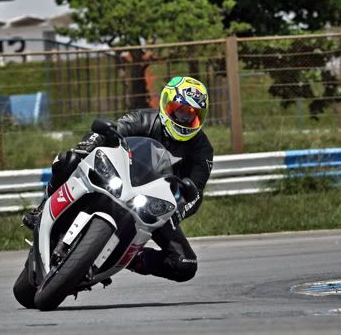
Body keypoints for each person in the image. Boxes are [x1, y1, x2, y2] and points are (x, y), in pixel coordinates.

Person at [22, 76, 213, 283]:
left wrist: (179, 210)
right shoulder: (144, 118)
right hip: (118, 178)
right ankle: (42, 209)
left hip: (154, 205)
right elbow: (113, 130)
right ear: (167, 105)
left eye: (192, 114)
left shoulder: (203, 149)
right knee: (68, 159)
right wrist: (90, 142)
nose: (184, 117)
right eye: (180, 109)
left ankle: (129, 258)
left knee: (185, 264)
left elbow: (196, 192)